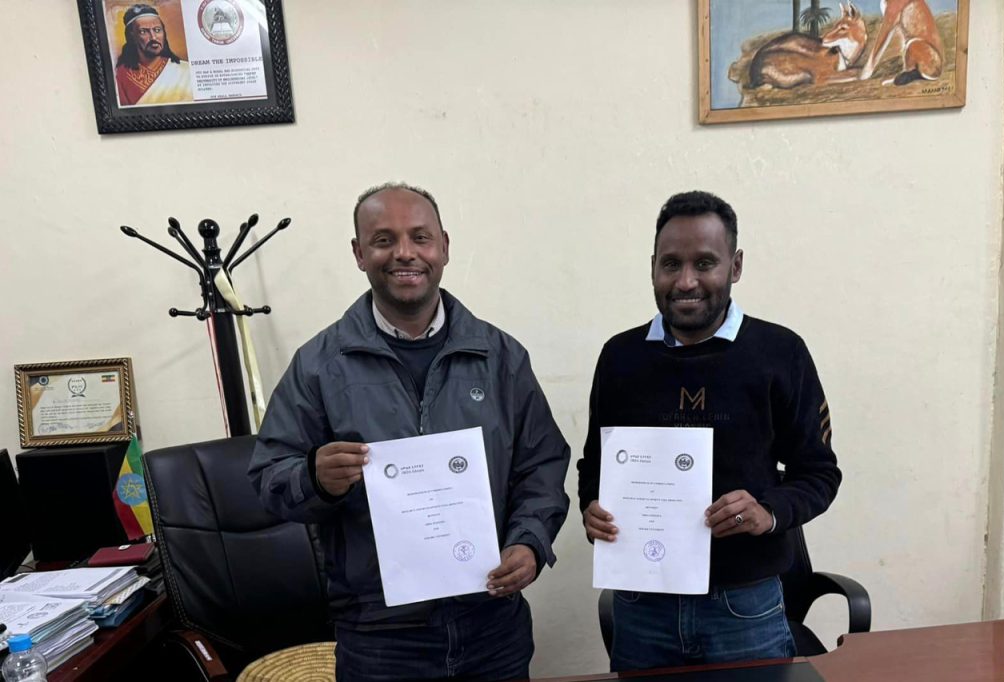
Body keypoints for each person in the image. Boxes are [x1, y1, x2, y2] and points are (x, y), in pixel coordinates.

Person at [249, 182, 571, 682]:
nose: (404, 253)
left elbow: (541, 467)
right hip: (380, 638)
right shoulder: (318, 366)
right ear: (359, 253)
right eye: (383, 240)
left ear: (444, 246)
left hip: (491, 626)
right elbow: (268, 478)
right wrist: (314, 478)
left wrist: (529, 543)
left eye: (420, 237)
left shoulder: (501, 357)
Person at [577, 190, 841, 672]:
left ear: (735, 266)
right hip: (642, 606)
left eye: (704, 263)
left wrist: (768, 511)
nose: (685, 281)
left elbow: (819, 473)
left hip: (744, 607)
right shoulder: (620, 357)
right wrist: (590, 510)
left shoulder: (780, 352)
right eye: (670, 264)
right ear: (652, 268)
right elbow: (593, 466)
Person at [114, 4, 192, 106]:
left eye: (157, 30)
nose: (153, 37)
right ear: (131, 36)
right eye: (143, 31)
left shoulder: (185, 71)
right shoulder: (121, 75)